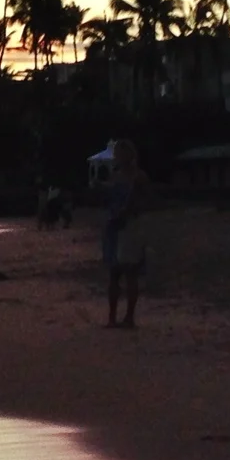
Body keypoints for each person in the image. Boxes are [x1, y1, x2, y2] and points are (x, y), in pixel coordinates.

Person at [101, 139, 149, 329]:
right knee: (115, 273)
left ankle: (128, 317)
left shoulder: (138, 177)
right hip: (116, 225)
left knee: (129, 273)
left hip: (129, 226)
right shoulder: (119, 176)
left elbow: (142, 202)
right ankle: (113, 317)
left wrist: (124, 212)